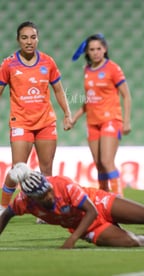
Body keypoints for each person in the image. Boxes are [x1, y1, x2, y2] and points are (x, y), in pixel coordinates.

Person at [0, 162, 144, 249]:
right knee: (131, 243)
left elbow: (90, 210)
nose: (49, 196)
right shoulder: (24, 202)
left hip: (98, 205)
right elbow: (6, 214)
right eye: (43, 197)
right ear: (32, 198)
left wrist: (71, 239)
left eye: (48, 191)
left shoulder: (63, 185)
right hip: (88, 228)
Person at [0, 21, 72, 208]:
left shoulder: (48, 62)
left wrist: (67, 113)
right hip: (21, 123)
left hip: (46, 123)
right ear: (18, 40)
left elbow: (58, 90)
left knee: (46, 170)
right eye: (24, 37)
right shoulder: (8, 64)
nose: (29, 41)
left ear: (37, 39)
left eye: (33, 37)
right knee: (17, 170)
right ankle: (2, 207)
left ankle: (46, 210)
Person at [71, 34, 131, 197]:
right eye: (92, 49)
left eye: (99, 48)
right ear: (87, 52)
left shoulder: (113, 68)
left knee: (106, 161)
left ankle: (119, 197)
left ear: (105, 49)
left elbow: (126, 95)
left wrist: (126, 121)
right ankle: (104, 197)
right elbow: (90, 99)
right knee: (99, 164)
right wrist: (75, 117)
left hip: (111, 119)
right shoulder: (87, 70)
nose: (96, 52)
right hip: (92, 122)